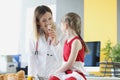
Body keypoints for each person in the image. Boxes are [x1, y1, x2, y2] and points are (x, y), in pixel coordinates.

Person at [48, 12, 89, 80]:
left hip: (76, 73)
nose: (60, 28)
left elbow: (70, 63)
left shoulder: (76, 42)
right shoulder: (66, 41)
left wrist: (57, 71)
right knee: (53, 78)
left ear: (66, 25)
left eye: (61, 25)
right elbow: (63, 58)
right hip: (67, 72)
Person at [27, 5, 63, 79]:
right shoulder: (34, 35)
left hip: (56, 76)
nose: (48, 22)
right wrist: (31, 75)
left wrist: (55, 42)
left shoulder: (60, 32)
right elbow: (31, 57)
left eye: (50, 18)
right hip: (39, 76)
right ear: (38, 22)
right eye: (44, 20)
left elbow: (62, 58)